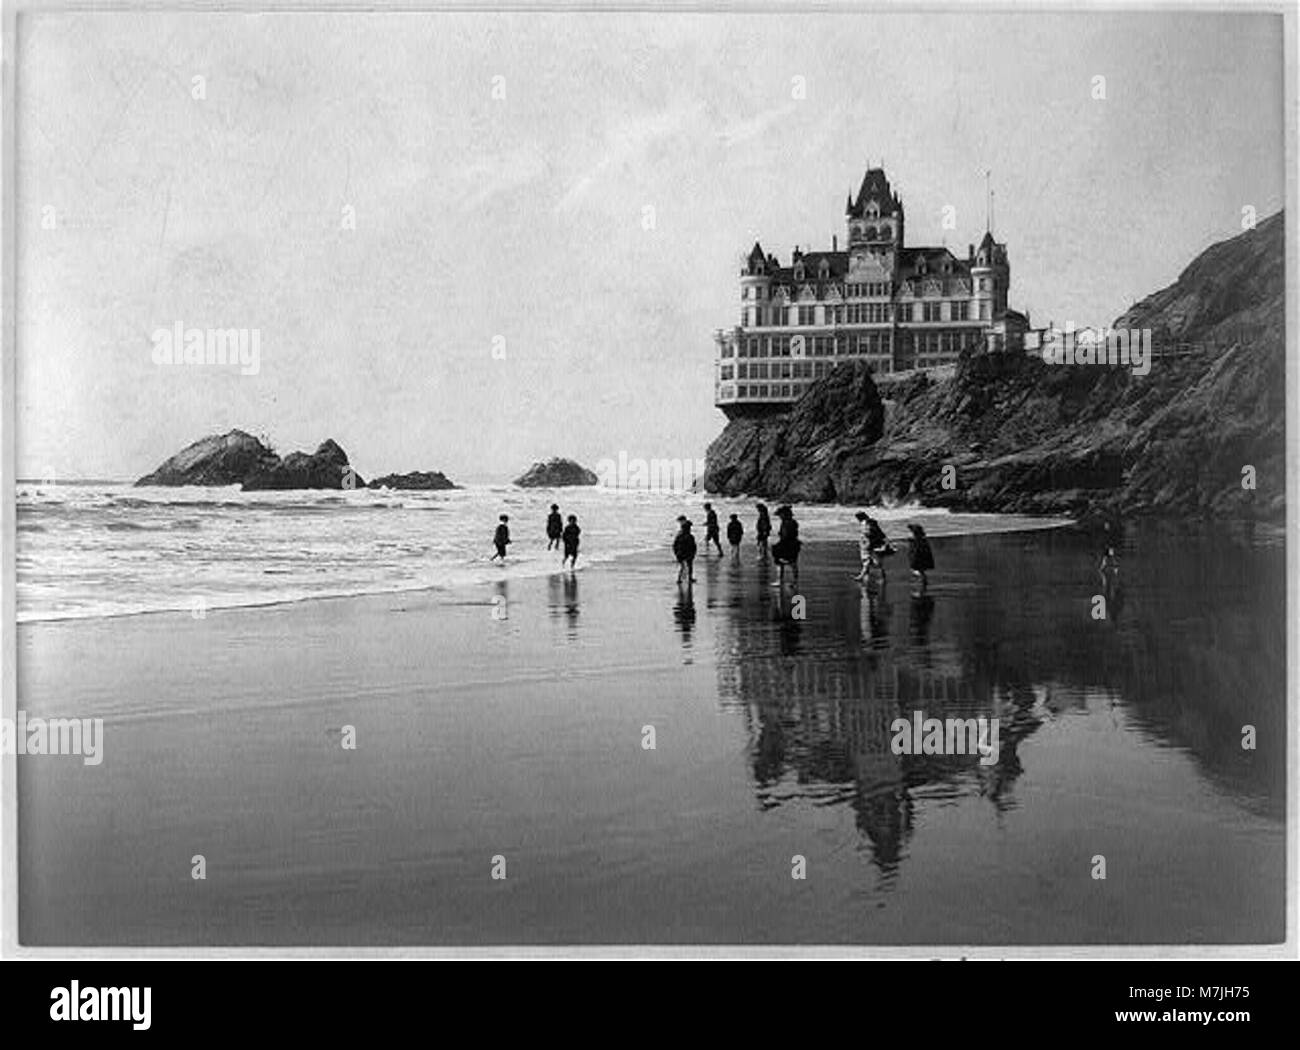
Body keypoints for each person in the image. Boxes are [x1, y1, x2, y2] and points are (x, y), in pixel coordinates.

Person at [771, 505, 801, 587]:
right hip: (793, 544)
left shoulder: (787, 523)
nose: (780, 517)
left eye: (781, 515)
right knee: (792, 563)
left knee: (781, 562)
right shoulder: (792, 522)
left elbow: (786, 535)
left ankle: (781, 581)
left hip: (787, 545)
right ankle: (794, 582)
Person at [907, 523, 935, 591]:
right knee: (920, 572)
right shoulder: (921, 541)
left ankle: (922, 585)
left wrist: (913, 563)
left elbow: (915, 553)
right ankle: (923, 584)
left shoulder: (917, 543)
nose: (908, 534)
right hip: (919, 561)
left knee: (918, 572)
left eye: (910, 532)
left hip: (918, 561)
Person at [673, 516, 697, 584]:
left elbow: (675, 545)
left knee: (682, 567)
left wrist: (676, 553)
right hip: (688, 553)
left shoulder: (679, 535)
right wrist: (693, 554)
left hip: (680, 553)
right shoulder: (690, 536)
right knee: (689, 566)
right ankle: (689, 578)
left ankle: (679, 579)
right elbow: (693, 546)